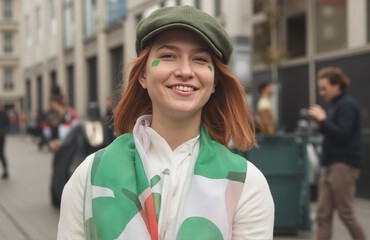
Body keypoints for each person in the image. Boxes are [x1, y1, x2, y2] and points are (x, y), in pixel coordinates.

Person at [58, 5, 274, 239]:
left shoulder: (245, 184)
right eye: (168, 56)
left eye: (200, 59)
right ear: (142, 75)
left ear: (213, 83)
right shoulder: (90, 175)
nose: (185, 71)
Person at [308, 67, 366, 240]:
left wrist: (324, 120)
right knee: (323, 214)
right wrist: (322, 123)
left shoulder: (347, 105)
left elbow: (343, 133)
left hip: (343, 165)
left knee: (346, 213)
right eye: (320, 88)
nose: (321, 92)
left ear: (337, 85)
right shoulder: (337, 105)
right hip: (331, 164)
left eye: (325, 88)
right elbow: (335, 133)